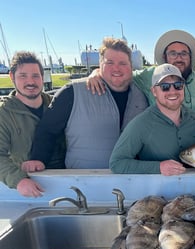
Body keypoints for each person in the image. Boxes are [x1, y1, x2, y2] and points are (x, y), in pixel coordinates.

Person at [23, 37, 148, 170]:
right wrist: (39, 159)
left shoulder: (143, 94)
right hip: (82, 182)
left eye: (123, 63)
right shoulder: (72, 92)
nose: (116, 68)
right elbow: (47, 130)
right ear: (100, 66)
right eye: (109, 62)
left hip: (132, 181)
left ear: (131, 67)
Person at [87, 30, 195, 116]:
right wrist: (97, 72)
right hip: (161, 148)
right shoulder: (149, 76)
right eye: (173, 53)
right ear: (164, 56)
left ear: (190, 57)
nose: (179, 58)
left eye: (184, 53)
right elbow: (122, 73)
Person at [109, 63, 195, 175]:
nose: (172, 91)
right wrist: (158, 167)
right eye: (165, 87)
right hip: (156, 191)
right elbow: (116, 163)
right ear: (154, 91)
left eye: (178, 85)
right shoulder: (141, 124)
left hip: (194, 188)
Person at [0, 51, 64, 198]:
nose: (30, 82)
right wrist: (18, 180)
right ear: (11, 76)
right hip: (31, 189)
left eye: (35, 76)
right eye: (23, 76)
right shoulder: (3, 115)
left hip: (67, 181)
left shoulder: (59, 104)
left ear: (42, 78)